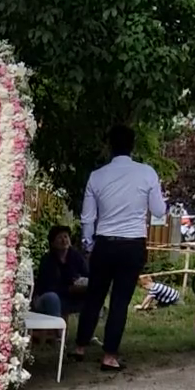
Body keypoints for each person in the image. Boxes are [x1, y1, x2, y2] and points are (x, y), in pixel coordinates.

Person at [73, 124, 167, 371]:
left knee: (94, 295)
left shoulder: (97, 176)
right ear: (133, 146)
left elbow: (87, 217)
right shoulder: (147, 173)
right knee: (120, 301)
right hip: (133, 243)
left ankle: (80, 346)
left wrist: (88, 244)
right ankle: (110, 355)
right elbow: (159, 210)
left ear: (109, 146)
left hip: (105, 242)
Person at [32, 224, 89, 317]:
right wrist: (69, 289)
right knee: (53, 298)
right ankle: (57, 325)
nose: (64, 240)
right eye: (60, 237)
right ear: (52, 243)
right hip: (51, 297)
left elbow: (87, 275)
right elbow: (47, 287)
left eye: (66, 237)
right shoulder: (47, 260)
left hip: (73, 297)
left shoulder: (76, 257)